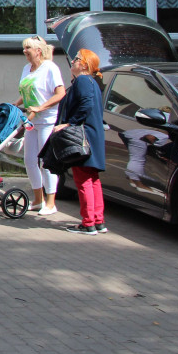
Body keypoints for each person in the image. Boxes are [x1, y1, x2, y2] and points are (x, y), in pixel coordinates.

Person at [55, 49, 107, 235]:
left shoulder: (83, 81)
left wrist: (70, 123)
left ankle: (88, 222)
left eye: (76, 59)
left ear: (84, 64)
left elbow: (86, 104)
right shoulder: (91, 82)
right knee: (92, 179)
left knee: (83, 179)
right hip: (93, 135)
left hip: (83, 137)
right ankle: (97, 220)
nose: (73, 62)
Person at [14, 36, 66, 215]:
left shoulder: (50, 68)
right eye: (24, 48)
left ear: (38, 50)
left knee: (46, 162)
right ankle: (38, 199)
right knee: (29, 160)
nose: (24, 51)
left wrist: (41, 107)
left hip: (46, 120)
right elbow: (26, 91)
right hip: (31, 120)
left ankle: (51, 203)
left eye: (28, 48)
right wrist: (14, 105)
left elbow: (60, 93)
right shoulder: (26, 69)